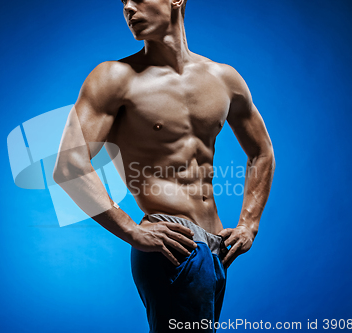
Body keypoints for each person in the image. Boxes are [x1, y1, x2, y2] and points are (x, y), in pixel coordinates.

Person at [53, 0, 275, 331]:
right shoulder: (115, 78)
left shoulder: (224, 79)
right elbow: (69, 165)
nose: (128, 8)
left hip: (215, 250)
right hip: (172, 242)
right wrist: (131, 230)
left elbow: (262, 152)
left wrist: (249, 224)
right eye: (123, 1)